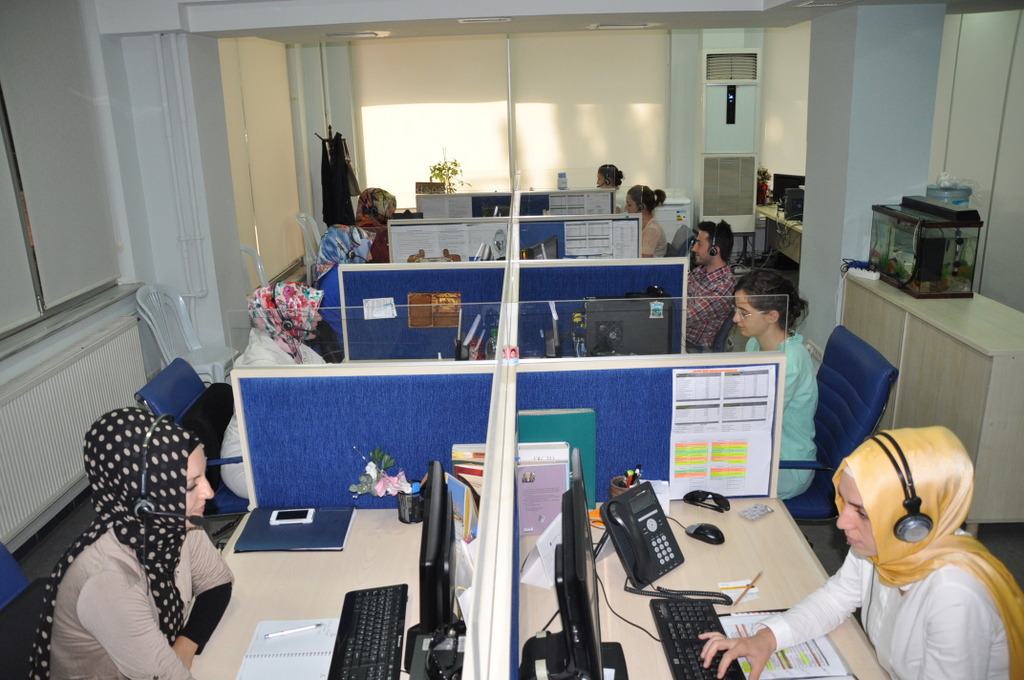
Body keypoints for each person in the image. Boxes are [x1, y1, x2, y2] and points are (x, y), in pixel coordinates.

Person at [700, 426, 1024, 680]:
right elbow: (837, 598)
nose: (842, 523)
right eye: (845, 502)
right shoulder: (883, 545)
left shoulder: (955, 595)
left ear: (911, 524)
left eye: (862, 513)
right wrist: (768, 637)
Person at [29, 408, 233, 680]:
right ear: (144, 500)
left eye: (204, 475)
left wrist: (184, 645)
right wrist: (170, 663)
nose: (208, 492)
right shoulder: (107, 580)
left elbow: (217, 582)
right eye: (190, 485)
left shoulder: (171, 520)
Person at [219, 282, 326, 498]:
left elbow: (328, 377)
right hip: (250, 462)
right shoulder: (262, 366)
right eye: (310, 312)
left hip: (282, 447)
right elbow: (282, 425)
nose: (319, 317)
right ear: (286, 320)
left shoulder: (291, 344)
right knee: (325, 477)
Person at [732, 269, 816, 499]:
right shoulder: (755, 343)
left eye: (744, 313)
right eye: (736, 310)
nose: (736, 319)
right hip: (762, 447)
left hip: (786, 464)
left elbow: (758, 419)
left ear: (771, 316)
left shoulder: (789, 363)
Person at [686, 220, 735, 352]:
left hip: (692, 347)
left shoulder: (723, 287)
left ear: (714, 250)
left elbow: (686, 317)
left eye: (699, 244)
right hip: (680, 335)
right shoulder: (700, 271)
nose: (694, 248)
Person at [355, 187, 398, 264]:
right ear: (372, 207)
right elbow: (384, 259)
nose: (391, 211)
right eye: (387, 207)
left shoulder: (380, 228)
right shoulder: (370, 230)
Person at [625, 184, 667, 257]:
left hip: (650, 264)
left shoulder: (651, 230)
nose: (626, 208)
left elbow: (644, 260)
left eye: (629, 205)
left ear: (641, 207)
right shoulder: (643, 224)